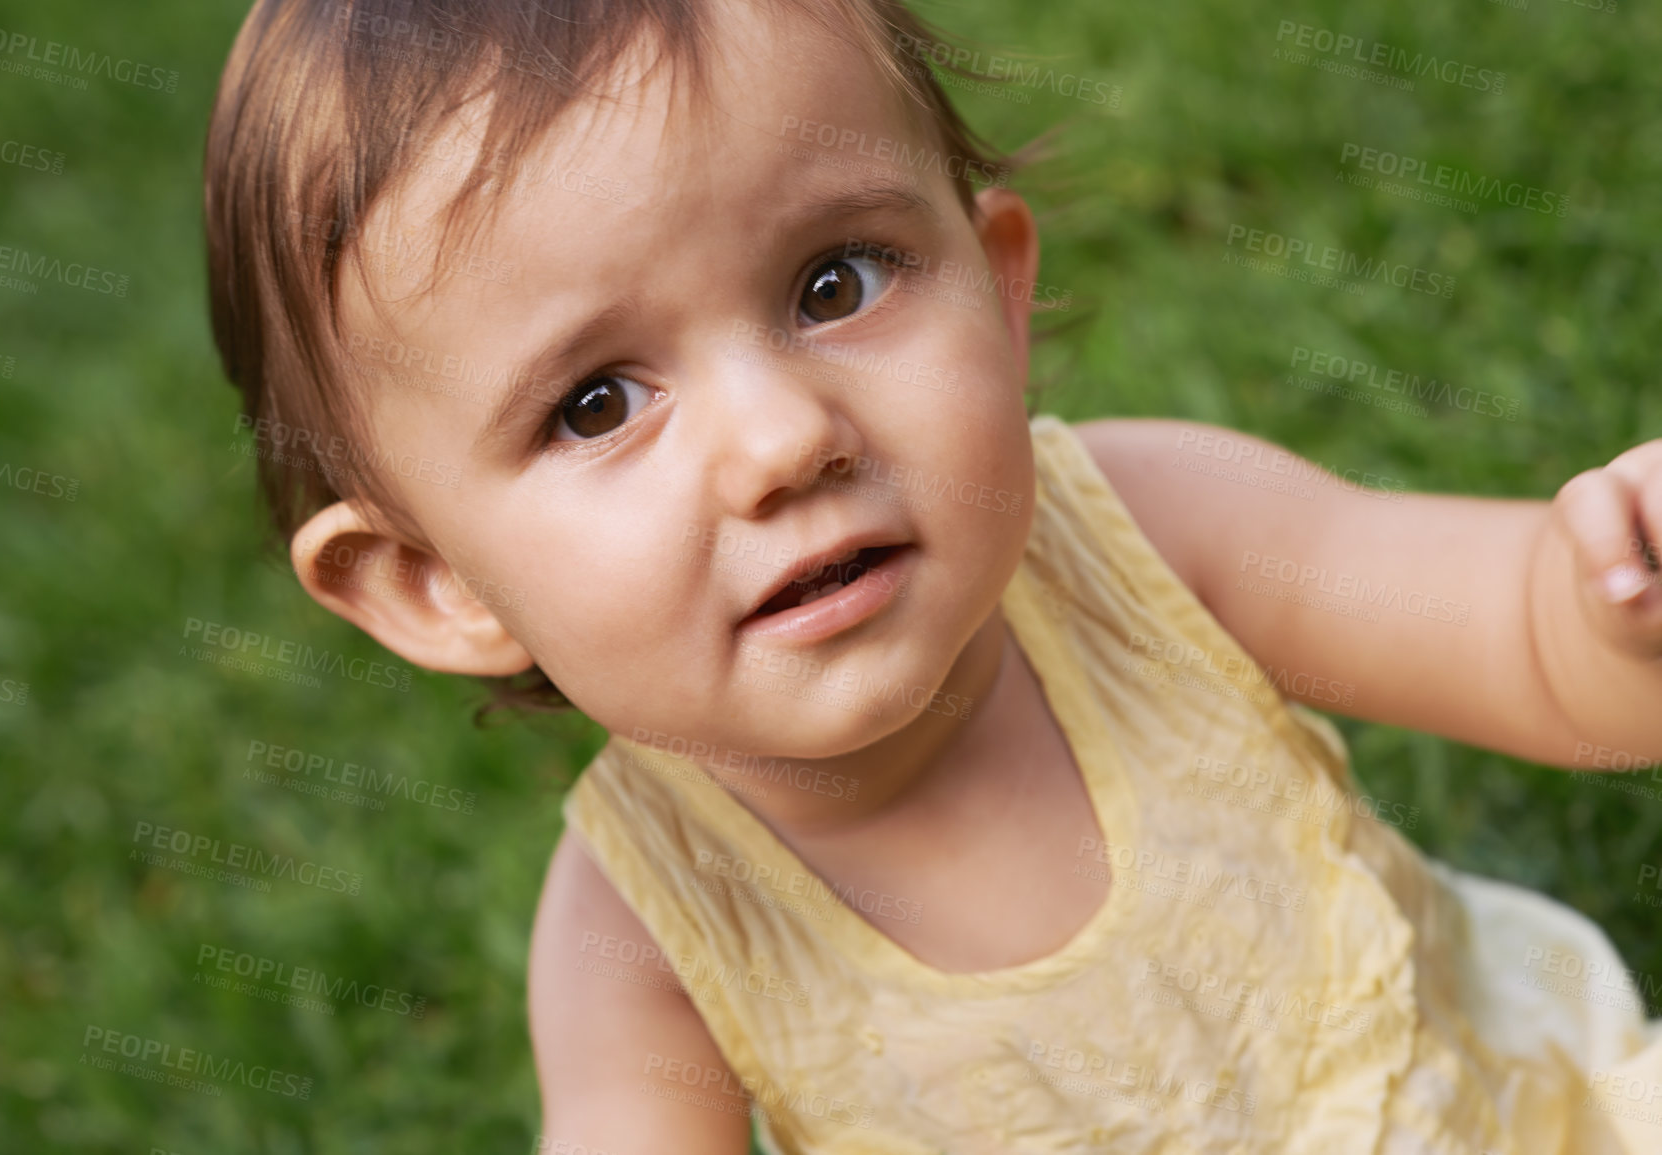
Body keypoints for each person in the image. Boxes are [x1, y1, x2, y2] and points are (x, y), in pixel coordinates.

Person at [203, 0, 1662, 1150]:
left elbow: (1532, 650)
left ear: (997, 283)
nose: (783, 440)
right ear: (433, 584)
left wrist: (1619, 606)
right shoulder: (640, 936)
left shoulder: (1156, 536)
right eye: (597, 403)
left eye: (835, 283)